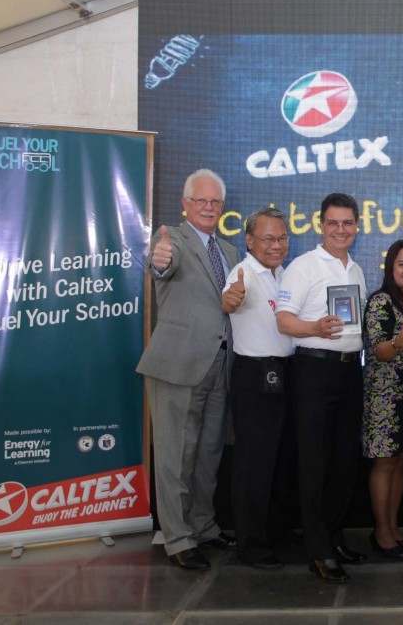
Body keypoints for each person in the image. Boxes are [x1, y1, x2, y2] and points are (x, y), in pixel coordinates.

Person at [136, 168, 238, 569]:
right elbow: (162, 264)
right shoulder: (171, 241)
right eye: (201, 201)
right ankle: (178, 539)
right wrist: (158, 260)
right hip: (177, 365)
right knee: (175, 455)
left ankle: (203, 526)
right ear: (185, 204)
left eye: (215, 202)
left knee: (209, 453)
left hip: (219, 365)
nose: (209, 207)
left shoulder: (228, 251)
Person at [276, 192, 368, 584]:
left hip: (350, 373)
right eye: (333, 223)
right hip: (313, 372)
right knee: (314, 462)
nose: (341, 230)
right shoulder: (302, 266)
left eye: (348, 223)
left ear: (357, 227)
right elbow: (283, 321)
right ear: (320, 225)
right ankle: (318, 549)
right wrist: (315, 328)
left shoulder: (358, 270)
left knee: (345, 461)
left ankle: (333, 536)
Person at [221, 207, 293, 569]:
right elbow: (230, 299)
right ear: (249, 240)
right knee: (254, 462)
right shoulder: (243, 271)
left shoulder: (283, 274)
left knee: (277, 460)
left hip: (284, 372)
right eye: (268, 238)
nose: (276, 245)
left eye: (281, 238)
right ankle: (250, 544)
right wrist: (231, 298)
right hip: (255, 375)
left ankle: (271, 534)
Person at [362, 240, 403, 560]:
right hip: (386, 397)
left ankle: (393, 527)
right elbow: (377, 349)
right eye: (402, 264)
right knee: (385, 463)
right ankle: (381, 532)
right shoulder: (381, 301)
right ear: (390, 267)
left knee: (401, 461)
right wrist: (396, 343)